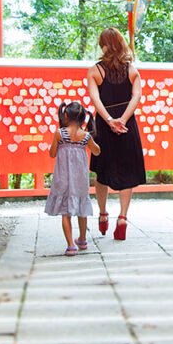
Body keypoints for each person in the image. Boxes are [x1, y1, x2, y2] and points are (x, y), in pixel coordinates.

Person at [87, 27, 146, 240]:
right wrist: (123, 119)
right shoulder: (132, 70)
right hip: (127, 125)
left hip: (104, 126)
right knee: (127, 171)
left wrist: (109, 120)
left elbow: (95, 99)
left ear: (103, 45)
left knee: (101, 172)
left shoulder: (95, 71)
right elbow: (136, 97)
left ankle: (103, 214)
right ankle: (122, 218)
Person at [44, 101, 101, 256]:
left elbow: (52, 153)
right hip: (80, 180)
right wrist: (90, 139)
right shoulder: (86, 136)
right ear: (83, 118)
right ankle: (82, 239)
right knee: (82, 208)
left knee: (65, 211)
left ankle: (70, 245)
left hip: (63, 179)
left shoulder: (60, 133)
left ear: (66, 115)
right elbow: (97, 151)